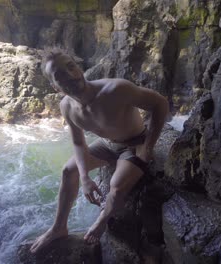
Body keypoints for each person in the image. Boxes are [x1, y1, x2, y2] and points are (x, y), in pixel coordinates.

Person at [30, 48, 169, 253]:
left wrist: (148, 146)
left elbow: (160, 103)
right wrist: (85, 177)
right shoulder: (66, 107)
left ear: (78, 68)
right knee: (69, 170)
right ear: (55, 86)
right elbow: (78, 143)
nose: (69, 74)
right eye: (59, 75)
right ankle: (59, 227)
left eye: (71, 66)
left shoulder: (116, 89)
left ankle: (102, 220)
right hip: (108, 144)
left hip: (135, 142)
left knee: (116, 185)